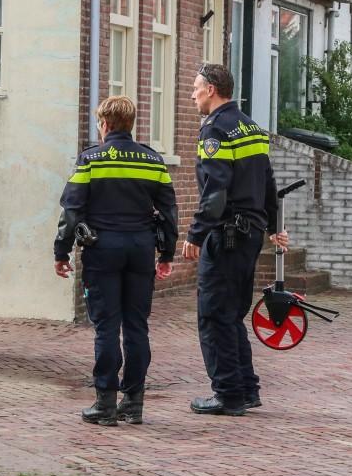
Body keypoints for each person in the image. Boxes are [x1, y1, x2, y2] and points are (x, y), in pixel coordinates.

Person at [54, 96, 177, 427]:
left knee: (106, 326)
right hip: (140, 248)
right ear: (131, 124)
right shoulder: (153, 161)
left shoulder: (91, 159)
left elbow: (72, 210)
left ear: (104, 124)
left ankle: (105, 404)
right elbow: (168, 211)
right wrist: (166, 254)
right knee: (136, 326)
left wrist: (61, 252)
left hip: (102, 249)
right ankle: (134, 404)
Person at [182, 64, 288, 417]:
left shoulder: (216, 131)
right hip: (251, 233)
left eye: (196, 87)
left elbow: (215, 191)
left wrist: (196, 234)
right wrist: (272, 224)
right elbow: (267, 180)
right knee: (232, 314)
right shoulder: (251, 127)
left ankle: (227, 394)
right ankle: (245, 388)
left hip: (226, 234)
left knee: (213, 315)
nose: (192, 94)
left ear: (211, 89)